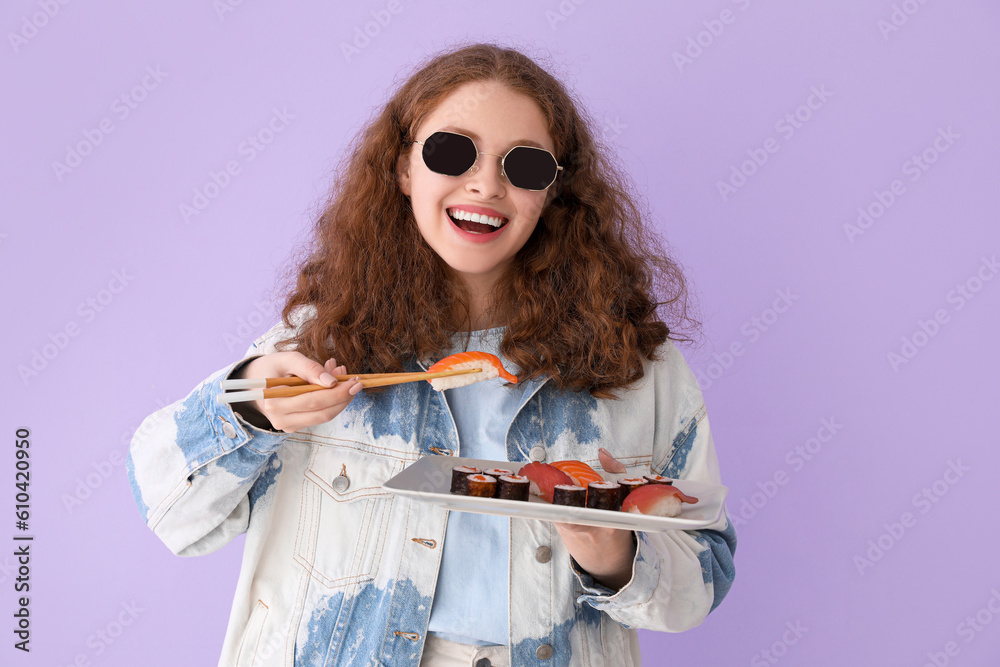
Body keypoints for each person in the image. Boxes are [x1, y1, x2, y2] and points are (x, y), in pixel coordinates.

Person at [127, 42, 736, 667]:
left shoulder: (634, 369)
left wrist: (615, 558)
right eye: (453, 151)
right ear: (402, 168)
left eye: (524, 166)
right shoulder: (318, 345)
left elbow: (704, 578)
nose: (485, 184)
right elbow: (172, 515)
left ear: (553, 193)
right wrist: (250, 405)